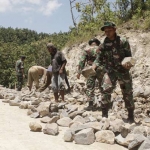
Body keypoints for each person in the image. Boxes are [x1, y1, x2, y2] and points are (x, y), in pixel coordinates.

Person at [93, 21, 135, 123]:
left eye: (109, 30)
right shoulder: (103, 45)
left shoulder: (123, 41)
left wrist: (127, 63)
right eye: (105, 31)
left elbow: (129, 56)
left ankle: (131, 116)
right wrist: (94, 65)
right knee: (105, 90)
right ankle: (104, 115)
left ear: (115, 30)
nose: (107, 32)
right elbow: (98, 58)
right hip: (110, 71)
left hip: (123, 71)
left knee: (127, 92)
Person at [77, 38, 105, 111]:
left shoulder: (87, 50)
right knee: (102, 86)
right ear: (97, 43)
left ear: (90, 43)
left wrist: (79, 72)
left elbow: (82, 61)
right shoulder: (101, 48)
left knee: (90, 87)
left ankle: (90, 105)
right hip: (101, 69)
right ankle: (105, 104)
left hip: (90, 69)